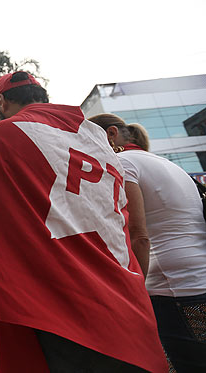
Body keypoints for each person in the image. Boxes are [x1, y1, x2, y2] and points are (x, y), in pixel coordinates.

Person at [0, 72, 167, 372]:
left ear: (0, 101)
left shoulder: (1, 137)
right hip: (128, 306)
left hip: (66, 316)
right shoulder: (97, 137)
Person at [89, 113, 206, 372]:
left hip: (170, 287)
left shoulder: (122, 162)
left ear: (110, 134)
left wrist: (134, 291)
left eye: (90, 139)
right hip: (198, 279)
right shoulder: (167, 164)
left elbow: (139, 235)